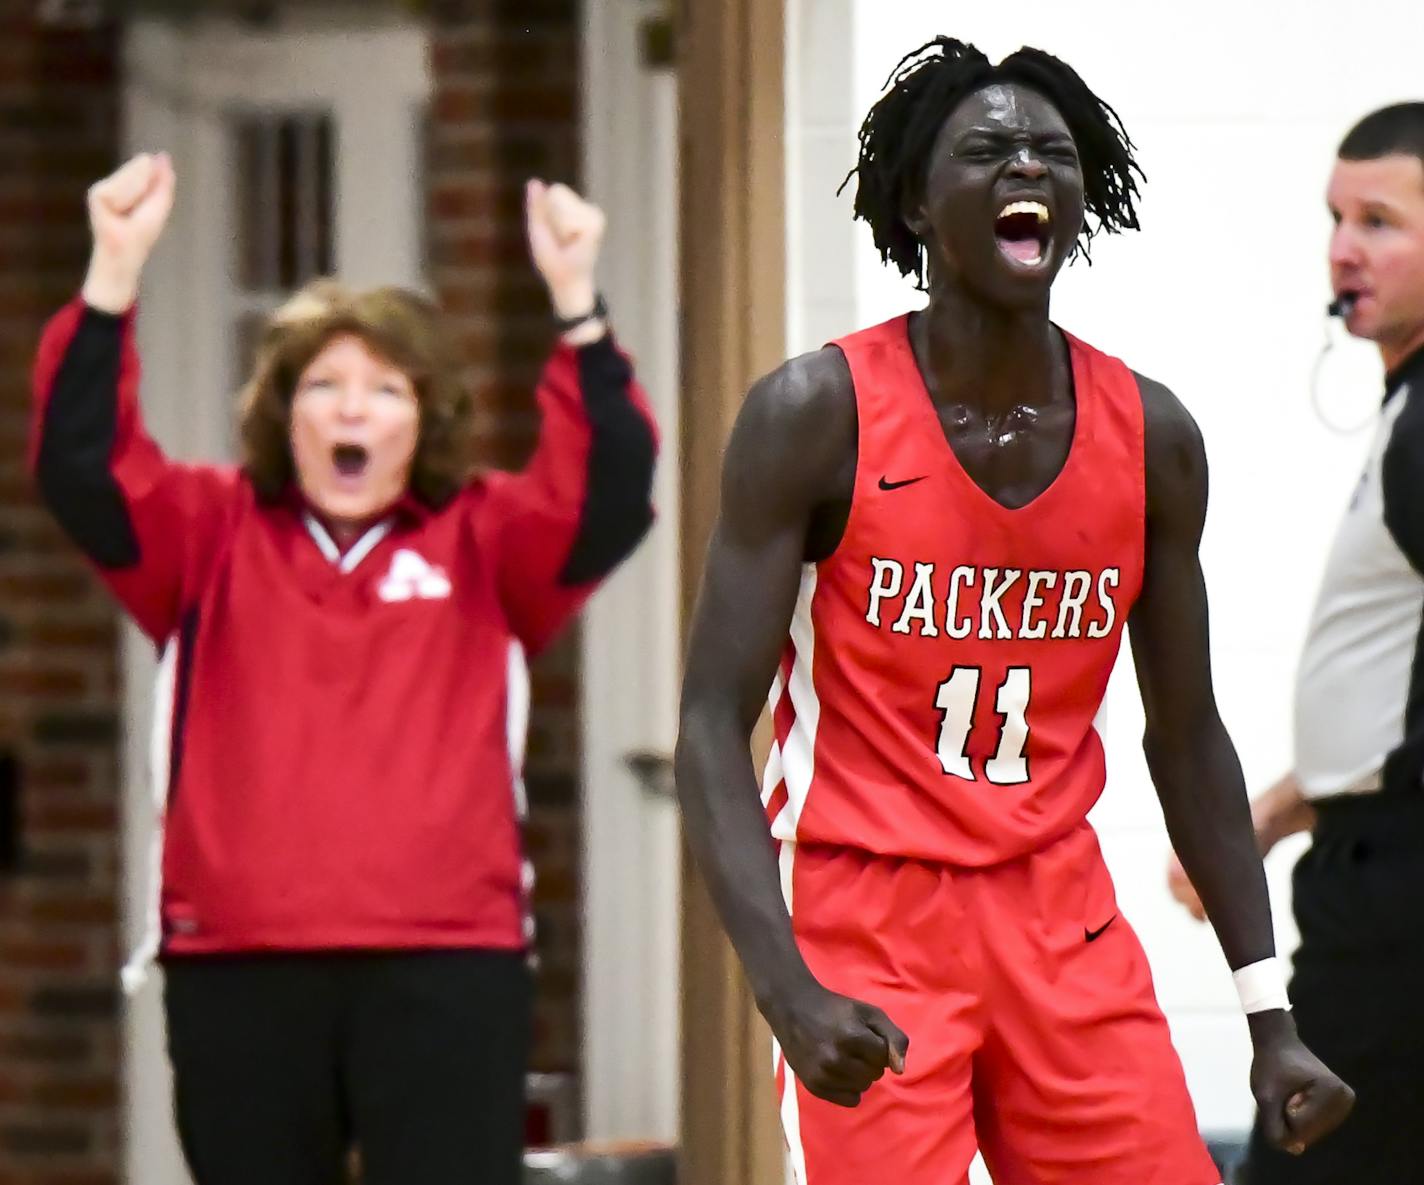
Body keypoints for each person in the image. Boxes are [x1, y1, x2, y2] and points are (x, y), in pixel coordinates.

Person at [675, 37, 1354, 1185]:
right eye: (985, 150)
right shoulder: (814, 411)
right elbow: (705, 726)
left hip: (1058, 910)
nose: (1023, 167)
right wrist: (785, 988)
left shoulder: (1152, 436)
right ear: (914, 202)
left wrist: (1264, 1015)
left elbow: (1184, 734)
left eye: (1048, 150)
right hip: (866, 908)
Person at [29, 152, 657, 1185]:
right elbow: (80, 465)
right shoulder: (204, 533)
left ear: (425, 417)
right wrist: (111, 274)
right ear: (284, 416)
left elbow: (610, 492)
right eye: (321, 387)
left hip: (449, 963)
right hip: (236, 966)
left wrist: (577, 305)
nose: (352, 411)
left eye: (384, 388)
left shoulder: (486, 539)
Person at [1168, 101, 1424, 1185]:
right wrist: (1271, 812)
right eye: (1333, 216)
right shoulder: (1402, 407)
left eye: (1378, 219)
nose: (1340, 248)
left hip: (1393, 897)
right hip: (1367, 864)